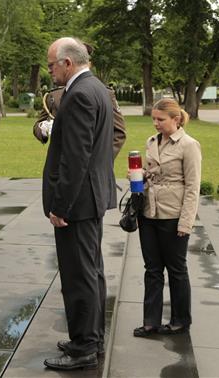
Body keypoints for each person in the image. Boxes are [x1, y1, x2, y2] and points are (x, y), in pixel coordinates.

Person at [42, 37, 116, 371]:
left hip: (78, 203)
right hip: (90, 198)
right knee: (92, 271)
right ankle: (90, 337)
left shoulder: (80, 94)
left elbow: (75, 159)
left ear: (68, 63)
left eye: (51, 64)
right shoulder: (96, 88)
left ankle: (84, 346)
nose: (50, 71)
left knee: (79, 275)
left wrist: (60, 206)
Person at [133, 98, 201, 338]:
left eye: (160, 119)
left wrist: (186, 222)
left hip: (173, 215)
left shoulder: (189, 145)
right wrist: (139, 174)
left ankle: (180, 320)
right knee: (152, 269)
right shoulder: (151, 142)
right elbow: (152, 172)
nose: (155, 124)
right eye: (154, 119)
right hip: (149, 213)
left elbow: (193, 187)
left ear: (176, 119)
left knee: (176, 269)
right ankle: (151, 322)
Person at [33, 43, 127, 159]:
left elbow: (118, 132)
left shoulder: (104, 93)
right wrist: (43, 129)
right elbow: (39, 123)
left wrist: (101, 161)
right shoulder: (54, 96)